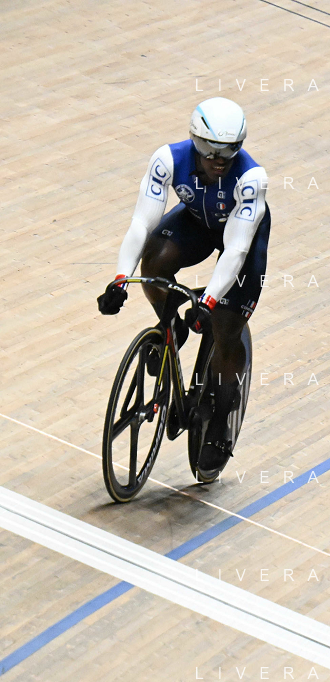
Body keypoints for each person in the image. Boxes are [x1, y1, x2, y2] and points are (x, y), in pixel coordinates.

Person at [97, 97, 270, 476]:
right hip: (196, 222)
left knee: (225, 326)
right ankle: (171, 327)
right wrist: (120, 279)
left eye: (230, 149)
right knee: (154, 262)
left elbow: (236, 251)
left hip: (241, 238)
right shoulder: (168, 160)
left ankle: (220, 421)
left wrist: (208, 302)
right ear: (195, 140)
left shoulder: (251, 179)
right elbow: (142, 224)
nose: (220, 158)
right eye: (210, 149)